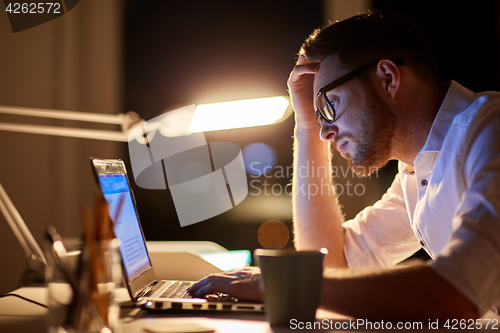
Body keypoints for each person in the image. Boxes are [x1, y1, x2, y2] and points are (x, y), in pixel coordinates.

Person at [188, 10, 500, 321]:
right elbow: (329, 265)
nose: (326, 132)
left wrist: (278, 284)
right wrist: (307, 126)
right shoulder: (417, 170)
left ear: (388, 78)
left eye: (328, 104)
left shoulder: (490, 132)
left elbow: (453, 295)